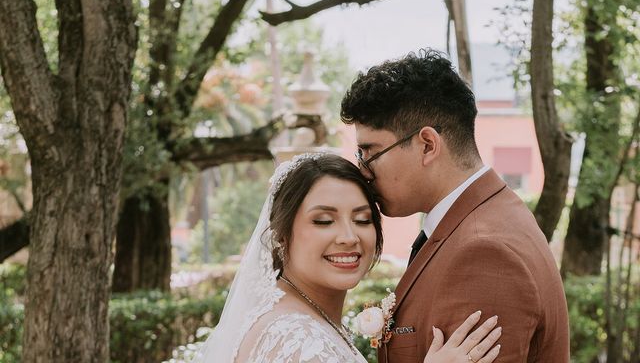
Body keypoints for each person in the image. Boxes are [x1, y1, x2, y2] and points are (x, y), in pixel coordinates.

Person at [340, 49, 570, 362]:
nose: (363, 171)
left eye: (370, 153)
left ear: (427, 145)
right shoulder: (485, 218)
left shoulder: (485, 254)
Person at [194, 153, 502, 362]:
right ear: (282, 234)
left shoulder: (290, 316)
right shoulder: (297, 339)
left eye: (362, 219)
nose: (349, 237)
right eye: (324, 221)